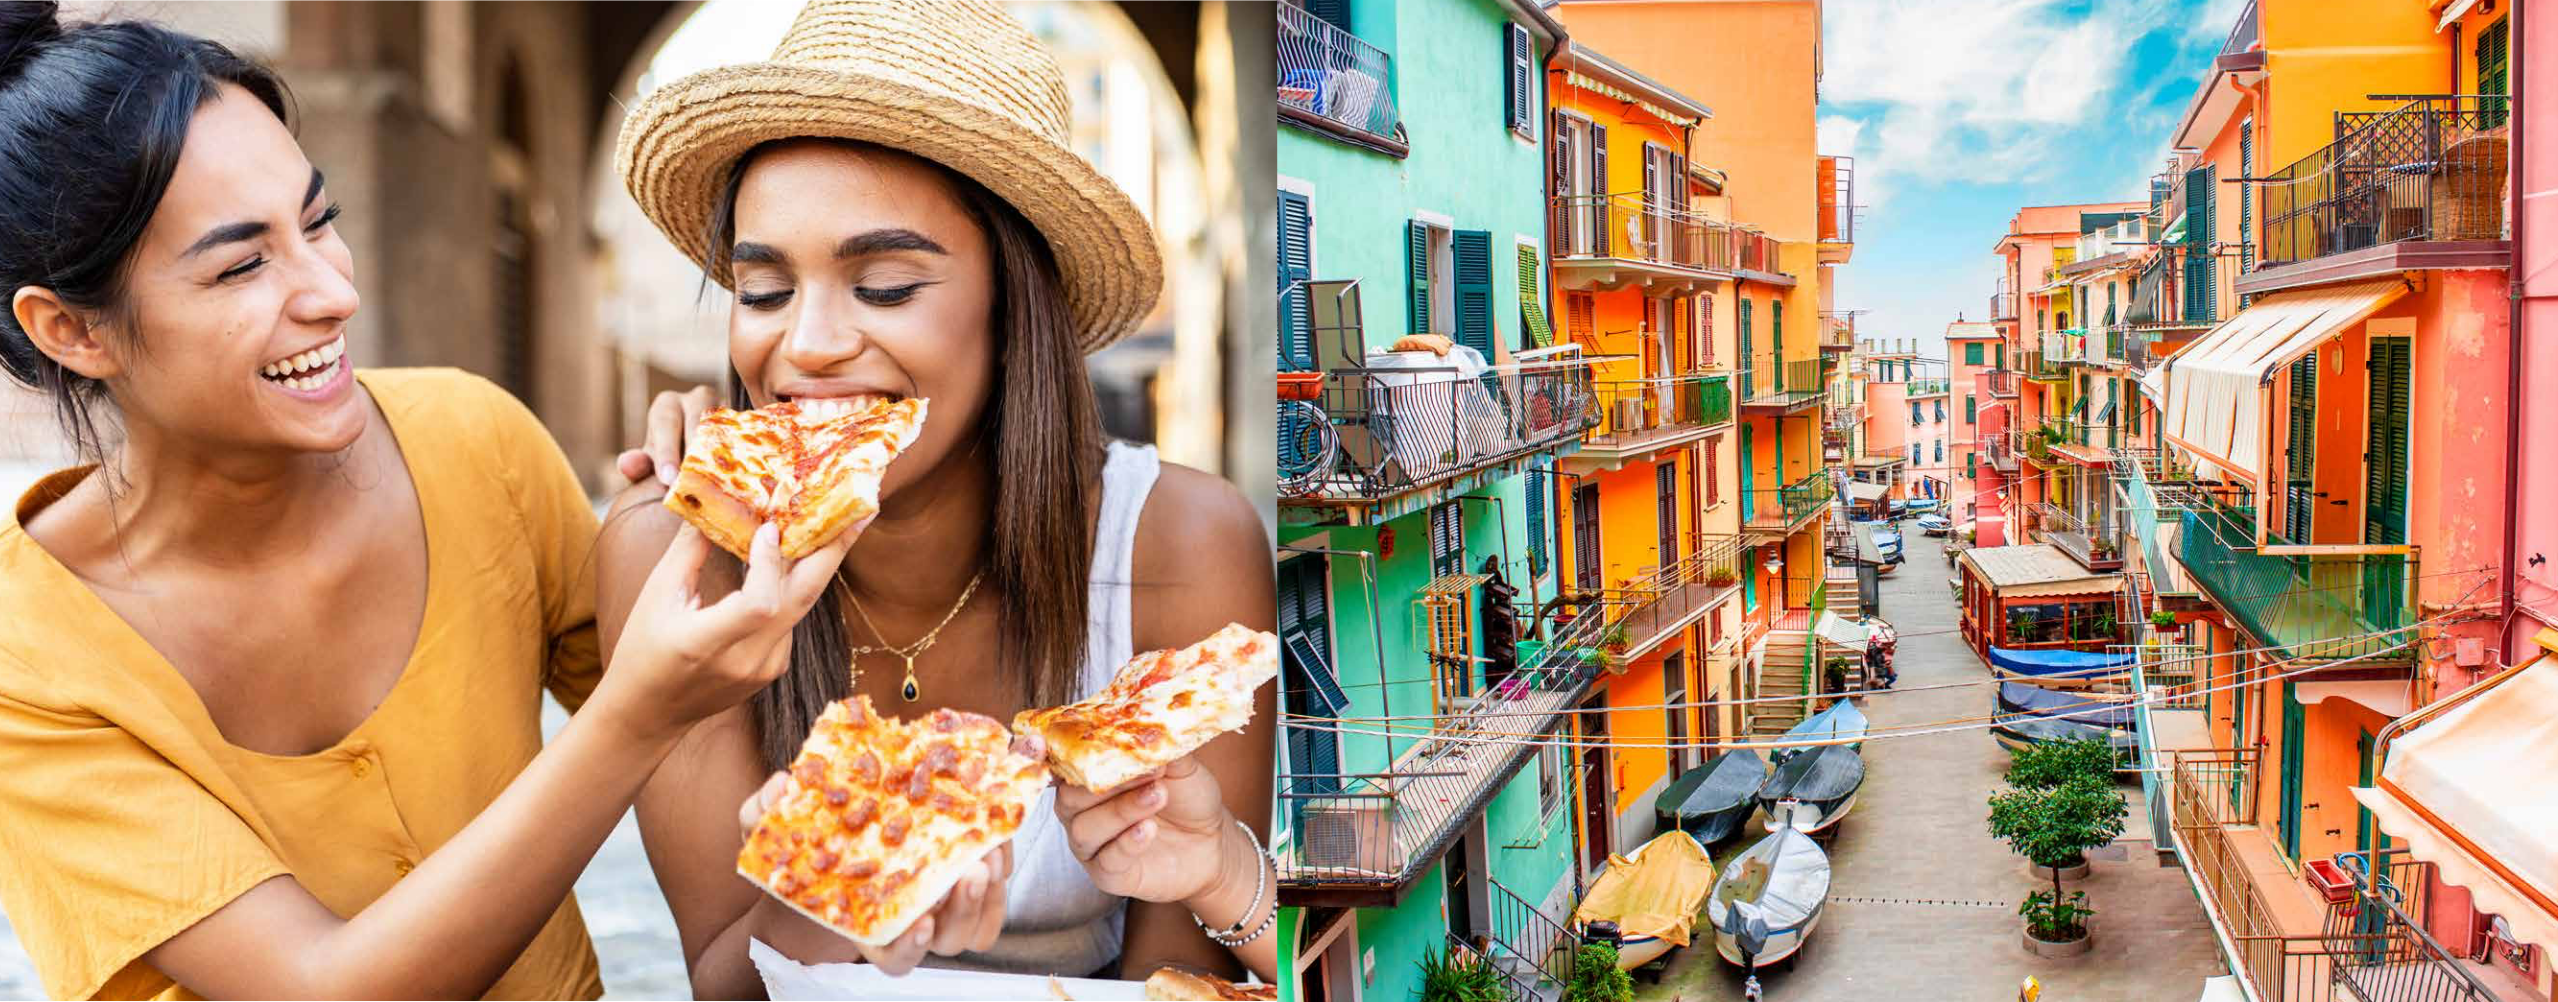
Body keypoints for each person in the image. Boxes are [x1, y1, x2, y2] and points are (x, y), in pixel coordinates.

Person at [0, 4, 849, 1000]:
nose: (329, 293)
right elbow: (321, 989)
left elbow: (731, 736)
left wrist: (715, 501)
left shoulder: (473, 444)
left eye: (319, 222)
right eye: (242, 264)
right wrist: (630, 720)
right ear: (71, 330)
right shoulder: (30, 657)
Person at [595, 0, 1278, 994]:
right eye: (764, 291)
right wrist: (829, 885)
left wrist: (1226, 876)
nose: (810, 344)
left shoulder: (1178, 545)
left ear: (1013, 311)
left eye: (883, 287)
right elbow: (720, 980)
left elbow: (1178, 975)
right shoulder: (673, 565)